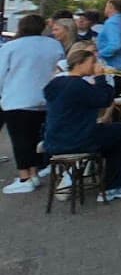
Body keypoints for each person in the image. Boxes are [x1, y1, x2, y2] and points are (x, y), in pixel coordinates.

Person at [44, 46, 121, 201]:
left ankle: (95, 176)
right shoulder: (78, 85)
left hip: (54, 140)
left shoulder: (55, 84)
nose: (95, 65)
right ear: (79, 64)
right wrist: (100, 78)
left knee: (114, 136)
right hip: (78, 139)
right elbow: (104, 99)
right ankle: (113, 187)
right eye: (92, 62)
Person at [0, 15, 63, 194]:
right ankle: (34, 173)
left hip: (17, 99)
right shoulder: (53, 45)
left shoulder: (10, 47)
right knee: (36, 139)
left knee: (20, 140)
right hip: (45, 99)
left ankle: (24, 177)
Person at [96, 0, 121, 96]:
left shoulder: (112, 23)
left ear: (111, 7)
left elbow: (115, 45)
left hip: (113, 69)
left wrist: (99, 54)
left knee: (109, 100)